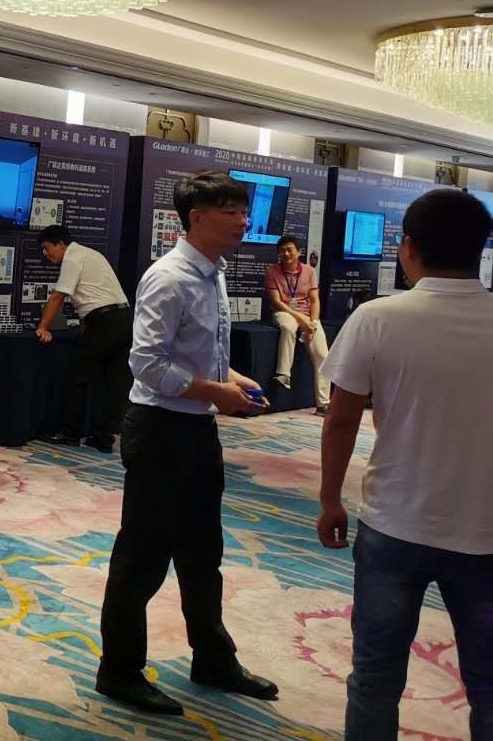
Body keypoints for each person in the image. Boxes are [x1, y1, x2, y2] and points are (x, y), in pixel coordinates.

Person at [97, 170, 278, 717]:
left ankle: (213, 659)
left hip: (198, 429)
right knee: (142, 557)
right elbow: (147, 365)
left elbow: (200, 354)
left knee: (203, 554)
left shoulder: (213, 273)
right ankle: (119, 671)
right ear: (197, 217)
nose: (243, 221)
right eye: (231, 211)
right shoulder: (169, 278)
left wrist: (234, 380)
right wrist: (217, 392)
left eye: (244, 211)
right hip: (159, 431)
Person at [317, 188, 493, 741]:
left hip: (394, 524)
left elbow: (340, 419)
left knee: (374, 679)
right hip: (486, 533)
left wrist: (329, 500)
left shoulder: (377, 317)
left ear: (408, 248)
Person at [35, 225, 131, 453]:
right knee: (111, 382)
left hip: (105, 323)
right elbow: (91, 302)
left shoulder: (72, 258)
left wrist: (43, 327)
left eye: (47, 248)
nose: (46, 254)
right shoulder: (91, 254)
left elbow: (58, 297)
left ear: (60, 244)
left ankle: (71, 433)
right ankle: (103, 437)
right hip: (125, 320)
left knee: (78, 377)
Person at [264, 234, 331, 411]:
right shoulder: (272, 271)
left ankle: (323, 404)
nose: (285, 254)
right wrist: (301, 319)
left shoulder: (309, 271)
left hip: (308, 315)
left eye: (289, 250)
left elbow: (314, 300)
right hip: (283, 311)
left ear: (299, 252)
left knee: (323, 355)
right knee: (288, 327)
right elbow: (277, 301)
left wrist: (313, 324)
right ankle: (283, 373)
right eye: (282, 251)